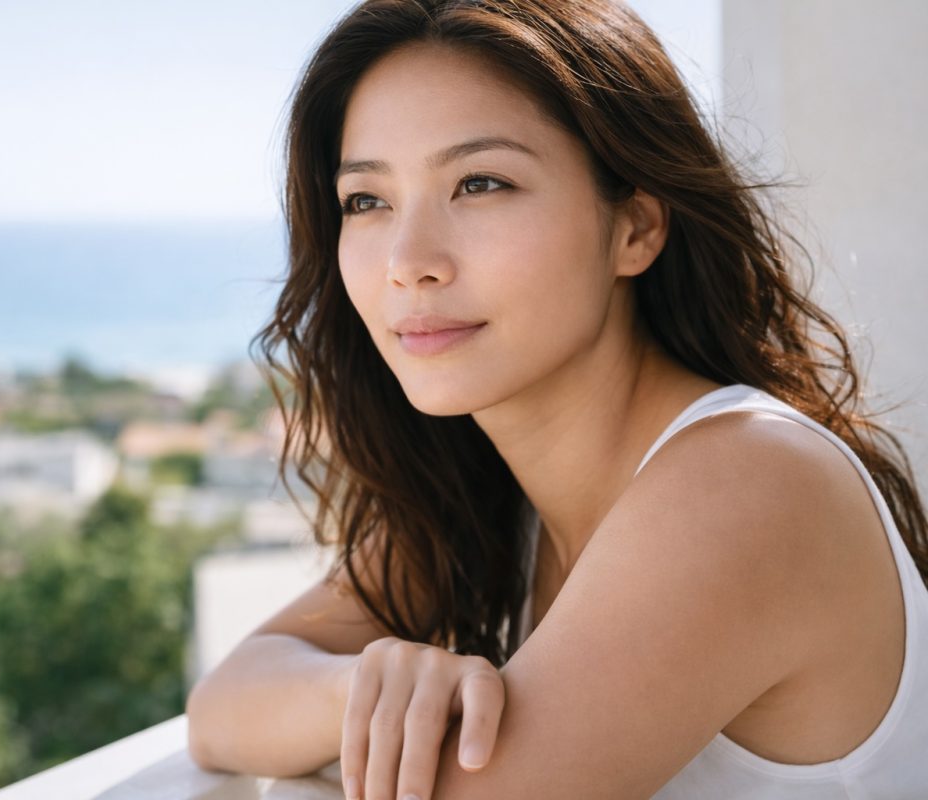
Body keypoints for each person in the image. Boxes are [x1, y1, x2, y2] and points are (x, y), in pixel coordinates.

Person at [185, 0, 928, 797]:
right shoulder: (499, 496)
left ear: (635, 228)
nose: (408, 261)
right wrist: (364, 693)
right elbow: (222, 707)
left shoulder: (747, 481)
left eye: (480, 184)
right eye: (367, 200)